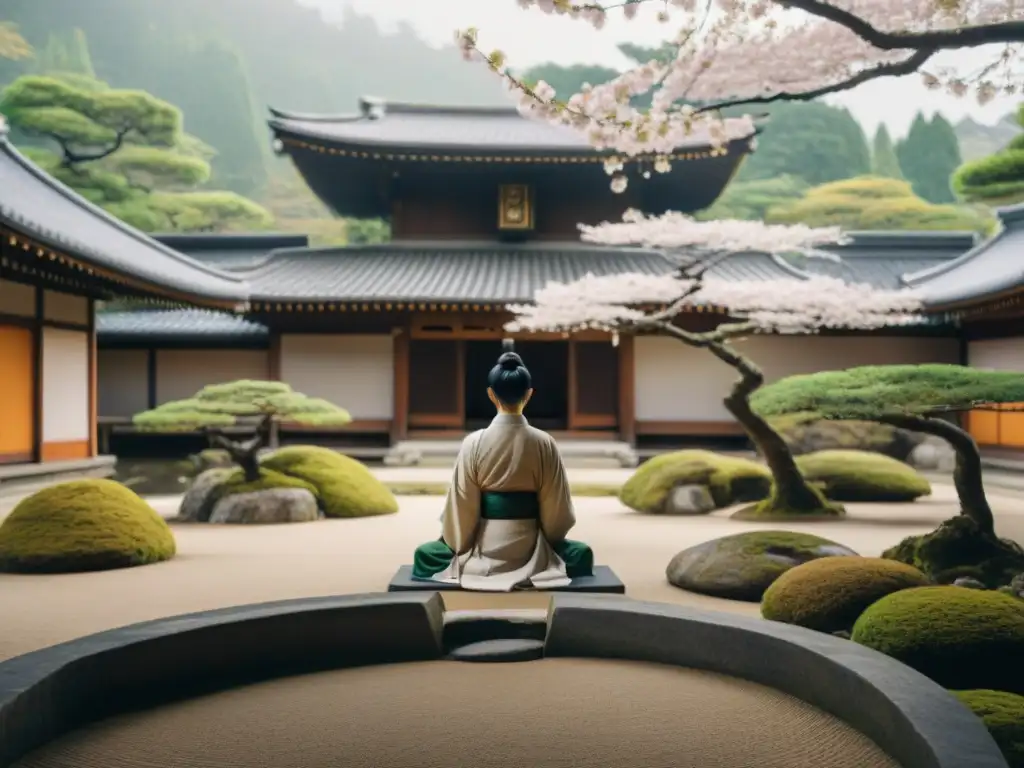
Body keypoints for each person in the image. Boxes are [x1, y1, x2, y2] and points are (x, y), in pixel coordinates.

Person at [411, 350, 594, 591]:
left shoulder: (473, 442)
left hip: (482, 545)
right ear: (529, 394)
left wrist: (459, 543)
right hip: (533, 547)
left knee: (426, 555)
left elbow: (462, 508)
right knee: (580, 554)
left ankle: (479, 570)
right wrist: (551, 540)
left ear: (490, 394)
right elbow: (556, 510)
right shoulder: (544, 442)